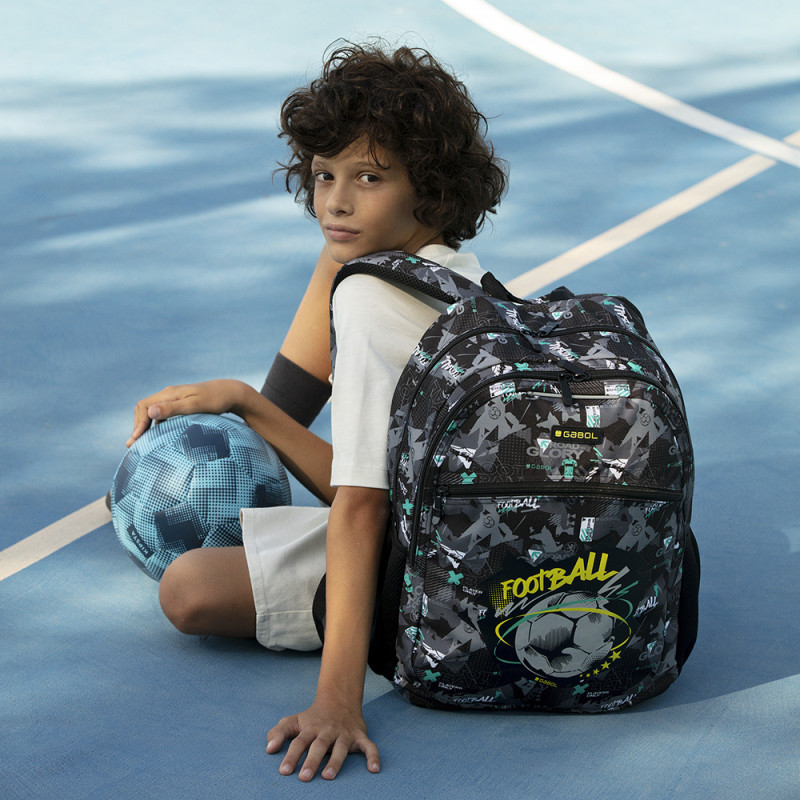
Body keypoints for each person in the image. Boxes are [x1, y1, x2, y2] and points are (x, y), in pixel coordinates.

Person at [126, 41, 507, 781]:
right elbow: (322, 434)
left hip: (435, 570)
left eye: (369, 177)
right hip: (487, 540)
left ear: (428, 188)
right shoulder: (464, 280)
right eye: (325, 174)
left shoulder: (369, 303)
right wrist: (256, 410)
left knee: (189, 590)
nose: (335, 202)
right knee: (338, 260)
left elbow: (361, 504)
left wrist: (338, 701)